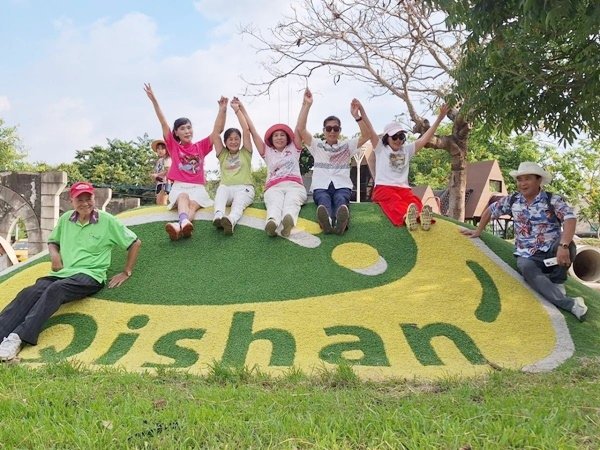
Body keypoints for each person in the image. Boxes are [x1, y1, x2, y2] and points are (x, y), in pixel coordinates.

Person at [0, 182, 142, 362]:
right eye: (79, 199)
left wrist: (126, 271)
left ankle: (17, 338)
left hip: (91, 275)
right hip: (64, 273)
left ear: (94, 198)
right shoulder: (66, 218)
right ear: (71, 201)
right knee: (29, 292)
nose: (85, 203)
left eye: (88, 198)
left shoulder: (107, 221)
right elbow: (53, 242)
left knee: (56, 290)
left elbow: (135, 242)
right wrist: (55, 257)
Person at [460, 161, 588, 321]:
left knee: (570, 247)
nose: (522, 183)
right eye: (520, 179)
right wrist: (478, 230)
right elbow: (490, 210)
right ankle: (571, 304)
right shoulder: (513, 201)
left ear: (538, 180)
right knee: (525, 267)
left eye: (527, 179)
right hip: (528, 255)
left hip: (552, 250)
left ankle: (557, 280)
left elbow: (570, 218)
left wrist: (564, 245)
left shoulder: (552, 200)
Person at [144, 83, 224, 240]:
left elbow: (217, 131)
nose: (187, 131)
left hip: (198, 188)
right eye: (182, 129)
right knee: (183, 197)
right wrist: (154, 100)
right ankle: (184, 222)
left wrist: (222, 109)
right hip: (180, 187)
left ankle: (179, 225)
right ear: (176, 133)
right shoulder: (174, 147)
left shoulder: (201, 146)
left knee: (193, 204)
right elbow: (163, 123)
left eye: (189, 127)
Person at [296, 88, 371, 234]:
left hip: (342, 185)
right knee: (323, 199)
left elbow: (367, 135)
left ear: (340, 130)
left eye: (335, 128)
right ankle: (328, 221)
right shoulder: (317, 145)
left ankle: (341, 222)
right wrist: (306, 105)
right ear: (324, 130)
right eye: (329, 128)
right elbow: (301, 128)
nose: (332, 131)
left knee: (341, 198)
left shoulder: (346, 146)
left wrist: (357, 116)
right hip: (321, 186)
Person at [364, 103, 449, 230]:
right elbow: (370, 130)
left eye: (401, 136)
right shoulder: (381, 149)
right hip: (384, 188)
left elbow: (425, 138)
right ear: (387, 138)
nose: (398, 140)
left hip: (404, 188)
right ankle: (407, 217)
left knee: (413, 200)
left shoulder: (406, 150)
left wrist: (439, 118)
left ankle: (421, 217)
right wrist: (360, 112)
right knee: (394, 200)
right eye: (395, 136)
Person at [237, 102, 307, 238]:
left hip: (295, 186)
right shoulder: (267, 152)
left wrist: (305, 104)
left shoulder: (294, 148)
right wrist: (241, 109)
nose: (279, 137)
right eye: (276, 135)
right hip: (273, 187)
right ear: (271, 139)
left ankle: (289, 221)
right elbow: (252, 131)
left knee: (292, 202)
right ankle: (272, 222)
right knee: (274, 203)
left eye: (282, 135)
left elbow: (299, 127)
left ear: (287, 138)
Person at [211, 97, 255, 235]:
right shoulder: (223, 154)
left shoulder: (245, 152)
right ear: (225, 142)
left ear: (241, 141)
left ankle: (231, 220)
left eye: (237, 139)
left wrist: (237, 110)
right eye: (230, 139)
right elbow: (215, 134)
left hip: (245, 188)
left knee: (239, 203)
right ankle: (218, 216)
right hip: (227, 189)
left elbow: (246, 130)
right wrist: (222, 110)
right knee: (222, 189)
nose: (234, 141)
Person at [150, 139, 171, 206]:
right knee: (158, 203)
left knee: (163, 203)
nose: (160, 151)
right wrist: (155, 176)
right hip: (159, 183)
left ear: (166, 149)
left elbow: (167, 170)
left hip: (165, 182)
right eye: (158, 149)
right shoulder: (159, 160)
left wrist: (157, 174)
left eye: (162, 149)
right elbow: (158, 171)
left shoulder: (168, 159)